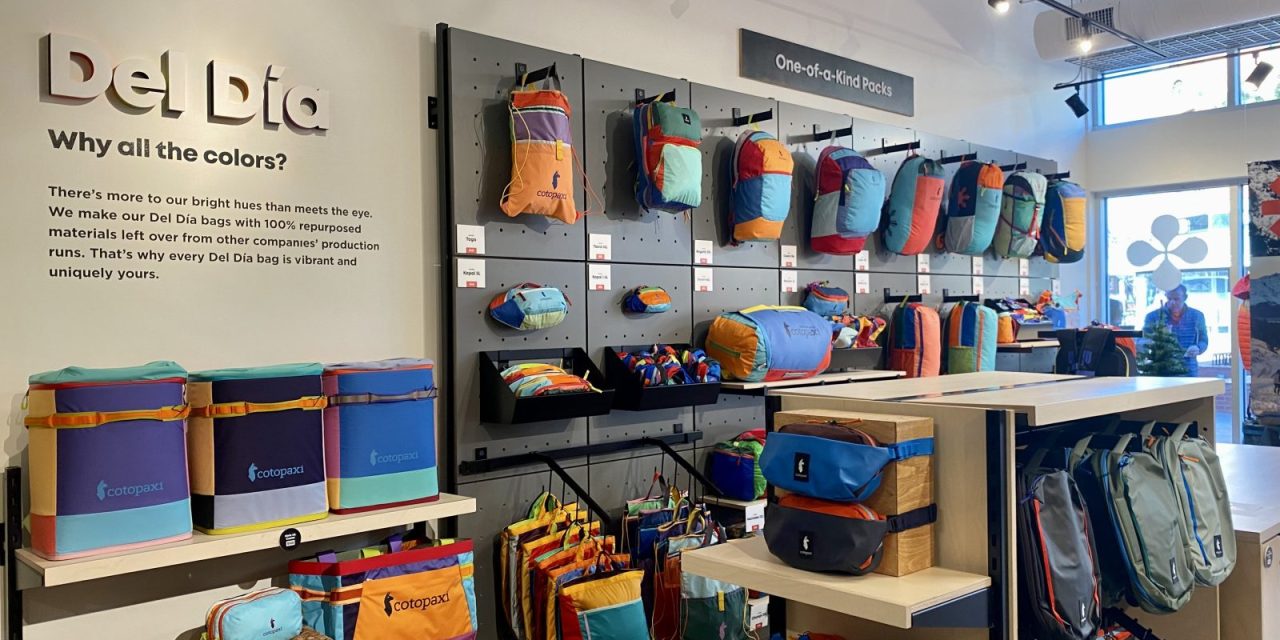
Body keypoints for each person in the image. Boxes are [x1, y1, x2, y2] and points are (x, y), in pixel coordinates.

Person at [1143, 284, 1209, 376]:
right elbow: (1143, 342)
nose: (1172, 302)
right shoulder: (1153, 317)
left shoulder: (1197, 316)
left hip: (1188, 369)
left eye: (1176, 299)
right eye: (1169, 299)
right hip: (1161, 371)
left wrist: (1198, 348)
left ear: (1185, 297)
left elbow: (1204, 339)